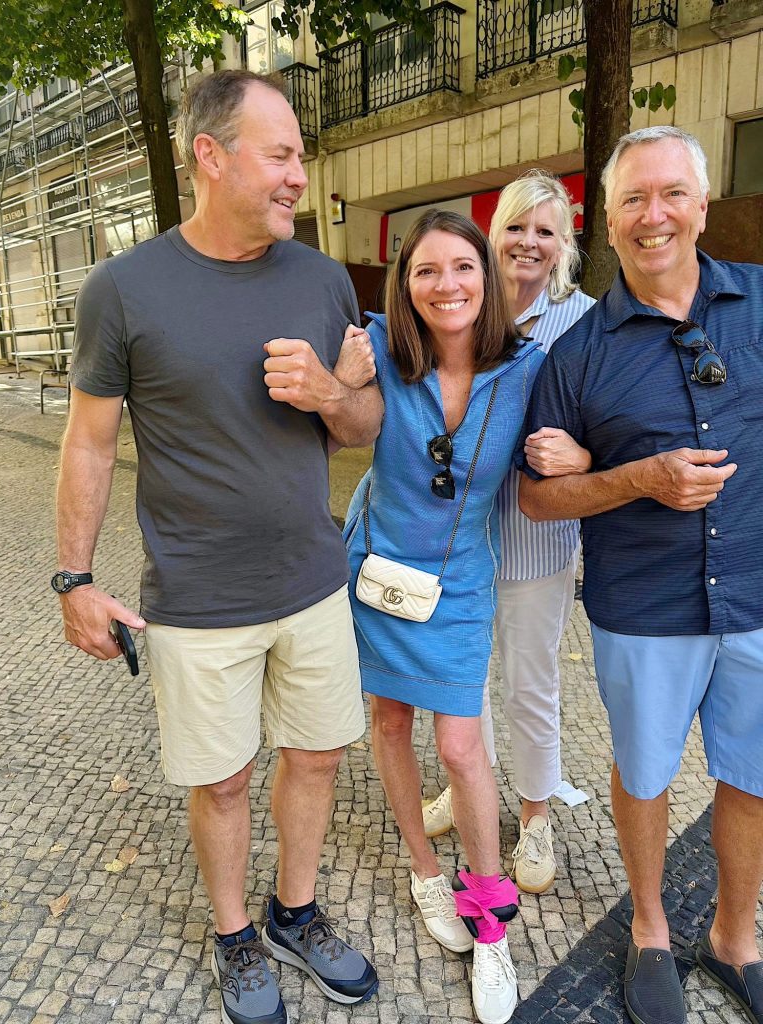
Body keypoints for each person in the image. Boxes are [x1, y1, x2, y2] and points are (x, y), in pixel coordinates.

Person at [54, 70, 384, 1024]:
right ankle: (237, 933)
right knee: (225, 776)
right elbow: (88, 439)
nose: (297, 176)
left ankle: (297, 912)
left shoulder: (322, 278)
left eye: (298, 157)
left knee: (318, 756)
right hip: (197, 597)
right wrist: (74, 577)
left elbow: (360, 425)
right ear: (211, 155)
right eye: (280, 155)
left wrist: (329, 391)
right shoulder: (124, 289)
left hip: (315, 582)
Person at [517, 126, 763, 1024]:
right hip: (644, 610)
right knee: (647, 774)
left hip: (759, 593)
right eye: (632, 201)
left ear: (701, 205)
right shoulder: (577, 353)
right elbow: (539, 501)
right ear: (609, 225)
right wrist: (635, 478)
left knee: (754, 776)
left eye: (670, 194)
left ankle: (738, 937)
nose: (653, 215)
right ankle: (652, 928)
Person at [343, 208, 581, 1024]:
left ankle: (491, 929)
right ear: (404, 287)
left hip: (461, 580)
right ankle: (423, 872)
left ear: (487, 276)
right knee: (388, 720)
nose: (446, 285)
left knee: (461, 744)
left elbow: (560, 450)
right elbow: (336, 417)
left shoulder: (527, 368)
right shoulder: (378, 349)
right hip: (374, 568)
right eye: (425, 271)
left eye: (462, 268)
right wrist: (337, 379)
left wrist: (578, 456)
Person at [422, 171, 594, 896]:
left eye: (545, 231)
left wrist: (588, 459)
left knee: (531, 681)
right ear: (494, 237)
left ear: (564, 247)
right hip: (460, 535)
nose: (529, 241)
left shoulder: (586, 322)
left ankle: (535, 812)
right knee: (464, 680)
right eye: (516, 227)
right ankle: (472, 785)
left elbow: (614, 424)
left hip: (534, 540)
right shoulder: (464, 305)